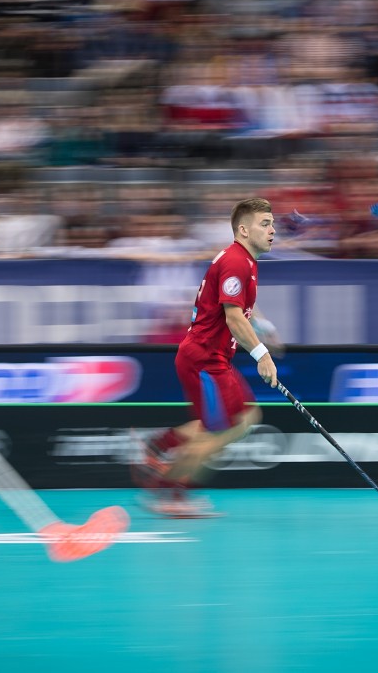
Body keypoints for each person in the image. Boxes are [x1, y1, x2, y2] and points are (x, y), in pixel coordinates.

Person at [132, 197, 279, 517]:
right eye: (265, 224)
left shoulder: (244, 261)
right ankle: (168, 490)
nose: (273, 230)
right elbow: (234, 318)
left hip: (214, 359)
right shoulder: (236, 262)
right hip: (205, 360)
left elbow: (243, 309)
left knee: (246, 418)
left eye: (272, 223)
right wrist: (262, 355)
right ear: (243, 230)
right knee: (220, 431)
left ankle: (162, 443)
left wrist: (264, 326)